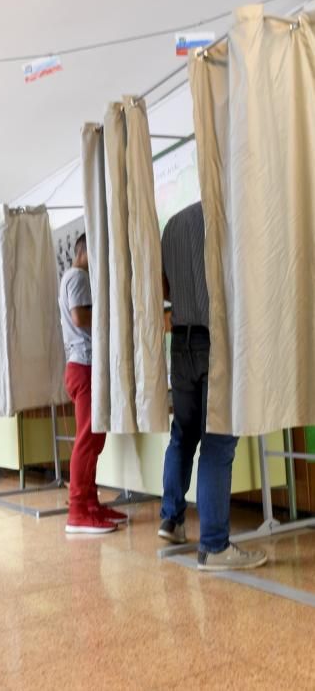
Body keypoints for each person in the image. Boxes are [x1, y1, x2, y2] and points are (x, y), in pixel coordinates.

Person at [158, 202, 267, 571]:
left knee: (183, 434)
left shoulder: (172, 224)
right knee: (218, 440)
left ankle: (170, 520)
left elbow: (163, 286)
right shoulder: (226, 217)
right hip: (215, 340)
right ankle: (215, 545)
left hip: (181, 343)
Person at [59, 233, 127, 534]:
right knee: (88, 438)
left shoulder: (74, 277)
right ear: (85, 250)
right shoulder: (77, 276)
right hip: (84, 365)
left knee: (94, 438)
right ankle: (77, 511)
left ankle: (89, 503)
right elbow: (79, 317)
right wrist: (113, 314)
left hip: (84, 366)